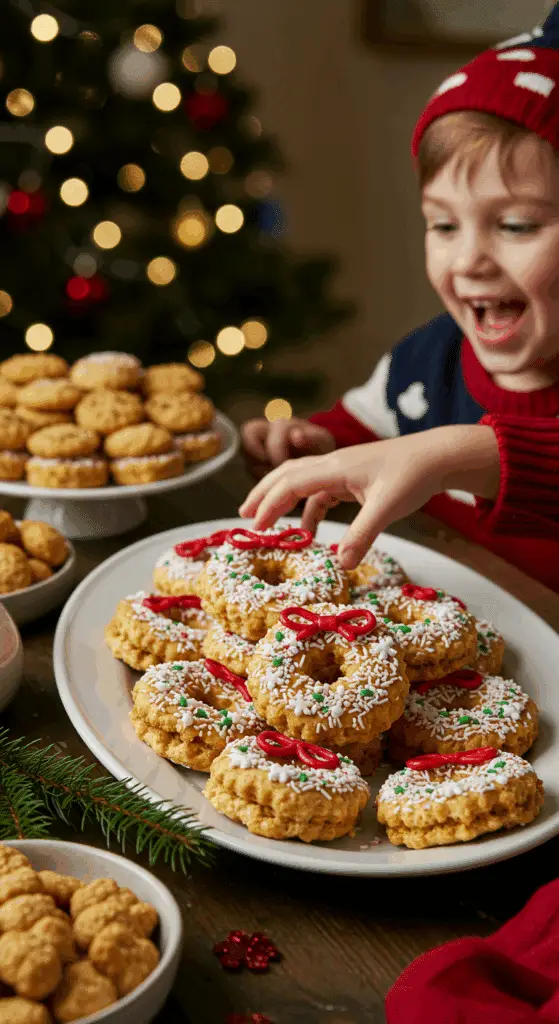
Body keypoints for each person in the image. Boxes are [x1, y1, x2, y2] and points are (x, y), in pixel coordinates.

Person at [240, 5, 559, 593]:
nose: (468, 261)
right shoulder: (425, 363)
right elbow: (364, 433)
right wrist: (315, 445)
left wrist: (454, 453)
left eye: (515, 225)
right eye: (443, 226)